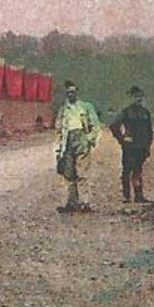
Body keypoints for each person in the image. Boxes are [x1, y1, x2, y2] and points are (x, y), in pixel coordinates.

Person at [54, 80, 100, 212]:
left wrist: (88, 139)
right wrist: (58, 149)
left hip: (81, 140)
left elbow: (95, 126)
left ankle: (85, 203)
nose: (70, 95)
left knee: (83, 172)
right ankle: (71, 202)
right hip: (67, 142)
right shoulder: (63, 110)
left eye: (73, 92)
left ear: (77, 93)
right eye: (68, 93)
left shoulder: (86, 107)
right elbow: (58, 130)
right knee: (68, 173)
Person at [110, 85, 154, 203]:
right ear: (131, 97)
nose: (138, 99)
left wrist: (148, 145)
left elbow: (150, 131)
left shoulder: (146, 113)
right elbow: (114, 126)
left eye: (140, 96)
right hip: (130, 147)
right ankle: (126, 196)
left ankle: (139, 195)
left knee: (138, 170)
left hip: (142, 146)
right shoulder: (126, 112)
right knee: (127, 170)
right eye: (135, 97)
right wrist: (122, 139)